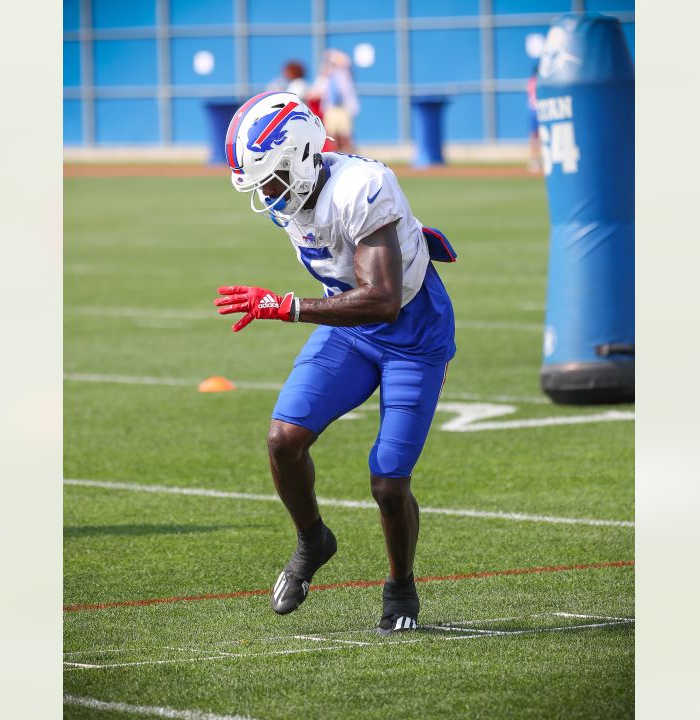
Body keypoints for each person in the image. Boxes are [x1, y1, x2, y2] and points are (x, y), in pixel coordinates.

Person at [215, 91, 457, 635]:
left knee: (388, 482)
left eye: (272, 179)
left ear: (301, 155)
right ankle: (312, 540)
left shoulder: (361, 188)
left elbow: (384, 298)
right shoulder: (290, 198)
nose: (268, 194)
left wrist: (288, 307)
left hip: (411, 331)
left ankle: (400, 587)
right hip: (351, 329)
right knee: (283, 438)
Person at [308, 50, 359, 153]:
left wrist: (334, 56)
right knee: (332, 135)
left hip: (343, 108)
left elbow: (346, 62)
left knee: (345, 134)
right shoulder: (325, 77)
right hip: (330, 108)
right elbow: (316, 91)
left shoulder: (343, 74)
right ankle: (335, 155)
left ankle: (350, 155)